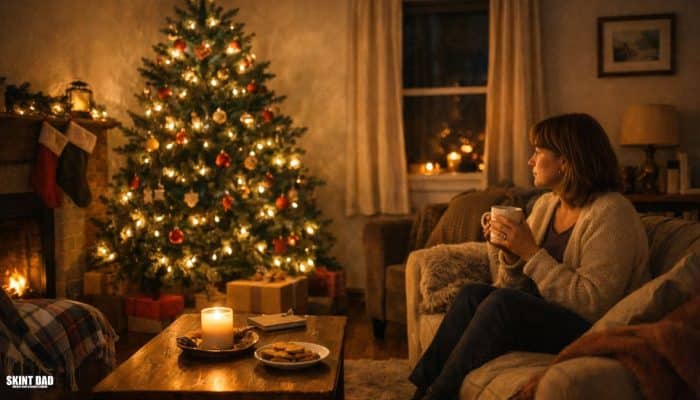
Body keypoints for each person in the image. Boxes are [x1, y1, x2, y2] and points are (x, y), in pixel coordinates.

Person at [408, 113, 651, 400]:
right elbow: (515, 288)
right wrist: (510, 253)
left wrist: (530, 252)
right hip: (552, 314)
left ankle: (439, 396)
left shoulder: (611, 212)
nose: (530, 161)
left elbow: (592, 303)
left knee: (501, 303)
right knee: (471, 294)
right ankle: (420, 388)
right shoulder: (547, 204)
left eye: (538, 152)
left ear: (565, 160)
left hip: (596, 328)